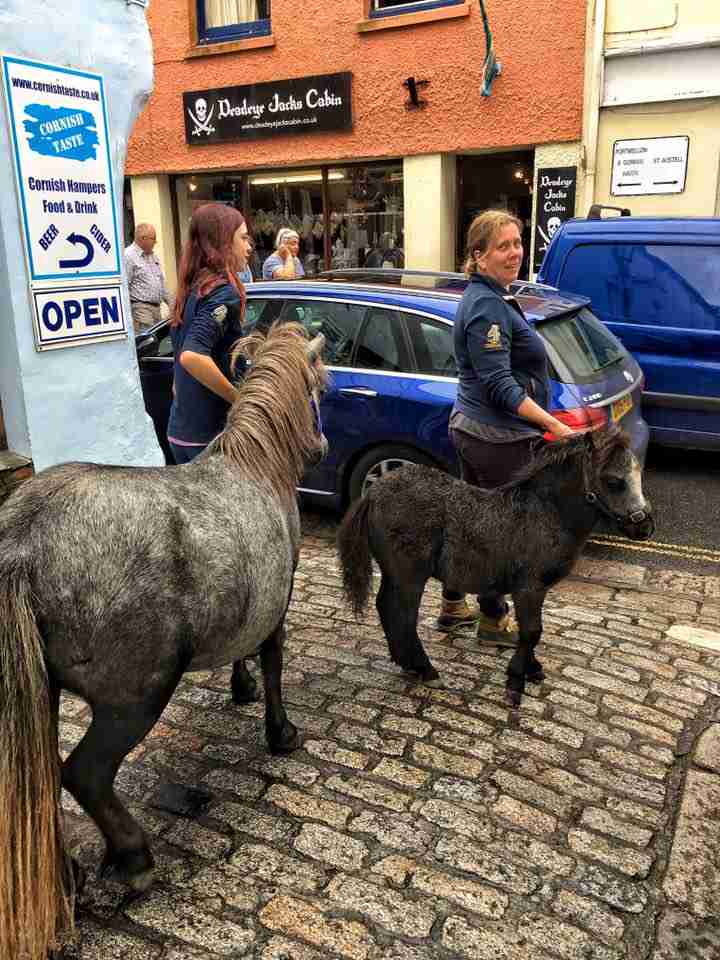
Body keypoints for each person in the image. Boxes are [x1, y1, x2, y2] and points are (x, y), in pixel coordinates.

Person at [437, 209, 574, 637]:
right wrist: (555, 426)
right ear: (478, 256)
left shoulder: (495, 295)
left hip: (477, 429)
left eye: (517, 243)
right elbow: (500, 385)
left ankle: (452, 603)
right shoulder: (486, 308)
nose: (514, 252)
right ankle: (494, 618)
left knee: (473, 524)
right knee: (505, 535)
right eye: (503, 246)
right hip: (495, 436)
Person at [166, 203, 252, 465]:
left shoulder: (193, 288)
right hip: (211, 437)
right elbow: (192, 357)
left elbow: (178, 368)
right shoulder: (223, 293)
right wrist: (240, 401)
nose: (249, 247)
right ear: (223, 241)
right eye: (243, 237)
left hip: (180, 433)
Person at [124, 223, 172, 332]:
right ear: (143, 238)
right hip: (141, 309)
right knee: (147, 343)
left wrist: (173, 305)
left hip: (156, 309)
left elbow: (161, 284)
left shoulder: (153, 256)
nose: (155, 242)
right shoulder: (128, 256)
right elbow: (124, 286)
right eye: (153, 239)